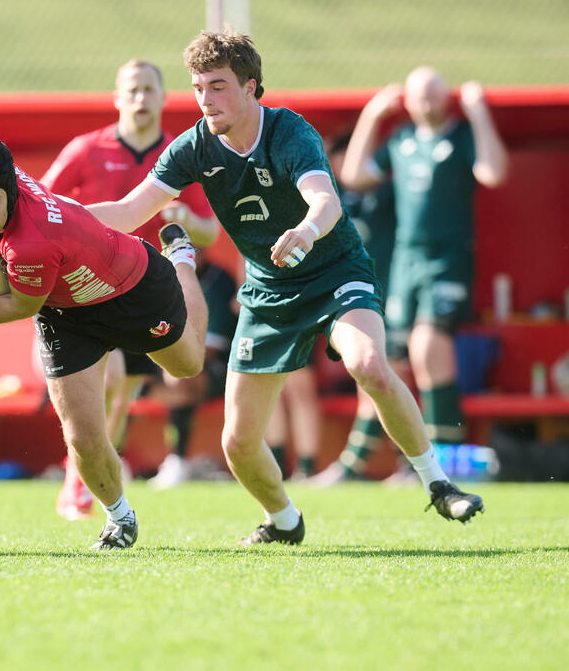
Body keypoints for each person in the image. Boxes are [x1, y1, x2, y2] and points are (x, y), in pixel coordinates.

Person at [87, 29, 485, 546]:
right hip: (269, 295)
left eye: (220, 86)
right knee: (237, 444)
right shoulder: (193, 146)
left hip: (334, 272)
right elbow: (127, 211)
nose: (207, 100)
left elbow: (327, 202)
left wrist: (304, 230)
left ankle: (438, 484)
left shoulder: (289, 132)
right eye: (199, 87)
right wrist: (46, 216)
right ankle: (284, 520)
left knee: (367, 363)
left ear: (252, 87)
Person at [0, 133, 208, 550]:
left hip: (131, 288)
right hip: (65, 313)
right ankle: (120, 519)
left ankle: (183, 260)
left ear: (9, 190)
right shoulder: (5, 177)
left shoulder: (31, 244)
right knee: (80, 436)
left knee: (187, 365)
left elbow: (18, 307)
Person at [39, 59, 218, 518]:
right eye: (132, 90)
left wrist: (186, 223)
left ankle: (87, 472)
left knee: (125, 390)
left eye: (149, 90)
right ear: (118, 98)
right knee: (110, 379)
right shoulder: (87, 149)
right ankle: (77, 474)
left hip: (149, 290)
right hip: (90, 288)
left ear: (163, 98)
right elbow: (42, 203)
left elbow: (209, 232)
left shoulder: (179, 154)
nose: (141, 99)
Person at [339, 68, 508, 453]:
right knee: (388, 360)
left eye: (433, 94)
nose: (426, 103)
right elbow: (352, 175)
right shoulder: (402, 140)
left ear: (446, 97)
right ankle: (368, 463)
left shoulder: (462, 136)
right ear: (408, 102)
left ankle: (446, 454)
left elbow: (494, 172)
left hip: (446, 260)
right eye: (418, 96)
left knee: (429, 347)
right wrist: (371, 115)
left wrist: (479, 112)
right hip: (405, 264)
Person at [312, 132, 400, 484]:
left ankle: (357, 466)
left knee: (386, 378)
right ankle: (396, 465)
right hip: (353, 307)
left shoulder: (390, 195)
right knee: (375, 378)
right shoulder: (329, 202)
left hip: (393, 301)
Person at [149, 256, 238, 489]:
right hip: (168, 362)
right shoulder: (160, 276)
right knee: (124, 379)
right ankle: (118, 460)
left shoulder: (219, 280)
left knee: (182, 382)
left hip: (219, 366)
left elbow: (210, 349)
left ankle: (177, 459)